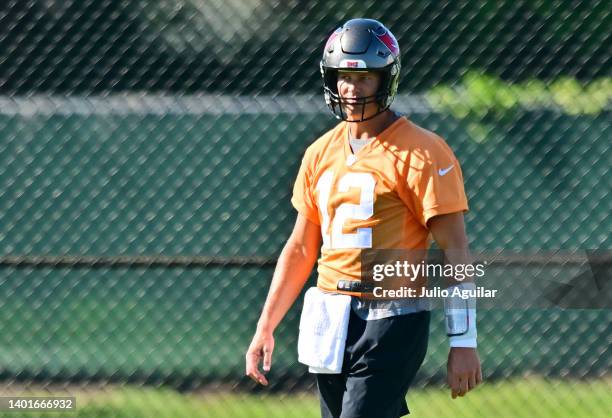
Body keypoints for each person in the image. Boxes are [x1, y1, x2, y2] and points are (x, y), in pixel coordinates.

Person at [246, 18, 482, 417]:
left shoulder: (423, 152)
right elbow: (302, 247)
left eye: (365, 78)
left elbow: (455, 252)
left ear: (386, 80)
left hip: (392, 317)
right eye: (343, 78)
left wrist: (463, 342)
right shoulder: (320, 153)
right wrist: (265, 325)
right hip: (331, 316)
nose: (351, 91)